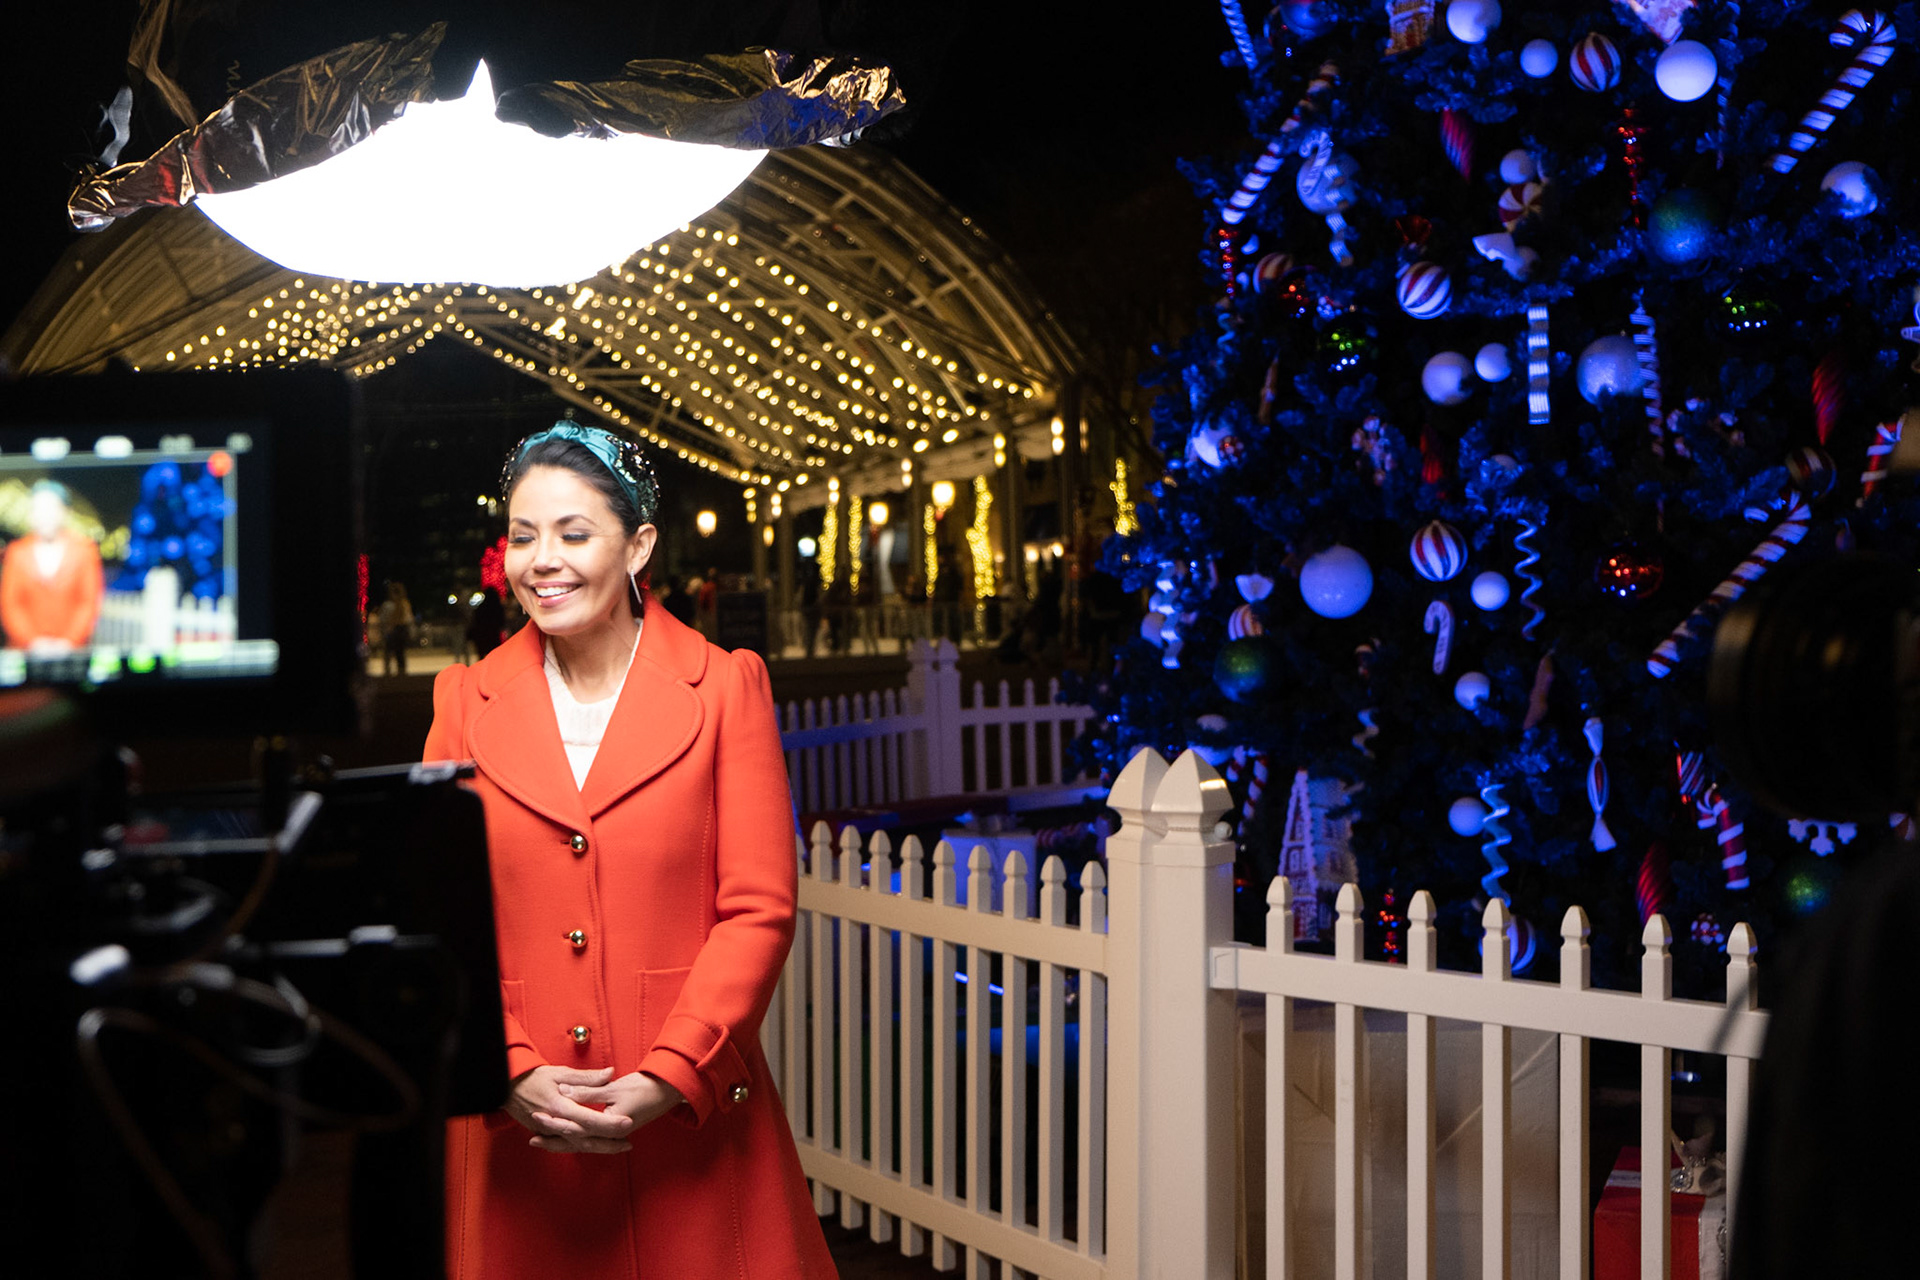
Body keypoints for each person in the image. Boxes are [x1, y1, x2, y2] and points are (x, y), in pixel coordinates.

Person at [422, 422, 833, 1278]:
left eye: (574, 535)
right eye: (524, 536)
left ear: (638, 546)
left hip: (688, 1121)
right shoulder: (463, 702)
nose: (543, 561)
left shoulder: (725, 689)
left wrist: (673, 1073)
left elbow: (758, 910)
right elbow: (436, 913)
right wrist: (505, 1066)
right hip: (516, 1133)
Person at [0, 480, 104, 651]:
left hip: (72, 653)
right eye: (37, 509)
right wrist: (33, 642)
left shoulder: (85, 552)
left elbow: (88, 603)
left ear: (66, 512)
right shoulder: (16, 553)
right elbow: (11, 605)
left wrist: (68, 642)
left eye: (50, 508)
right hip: (25, 652)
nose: (44, 516)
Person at [376, 581, 413, 676]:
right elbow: (409, 620)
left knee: (388, 654)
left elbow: (382, 619)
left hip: (391, 630)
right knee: (400, 654)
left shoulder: (387, 605)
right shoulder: (405, 604)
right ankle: (402, 673)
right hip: (402, 630)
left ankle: (388, 674)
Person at [467, 586, 506, 660]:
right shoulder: (498, 608)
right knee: (494, 657)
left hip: (481, 636)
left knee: (481, 657)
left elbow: (475, 620)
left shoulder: (481, 607)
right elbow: (501, 622)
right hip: (493, 635)